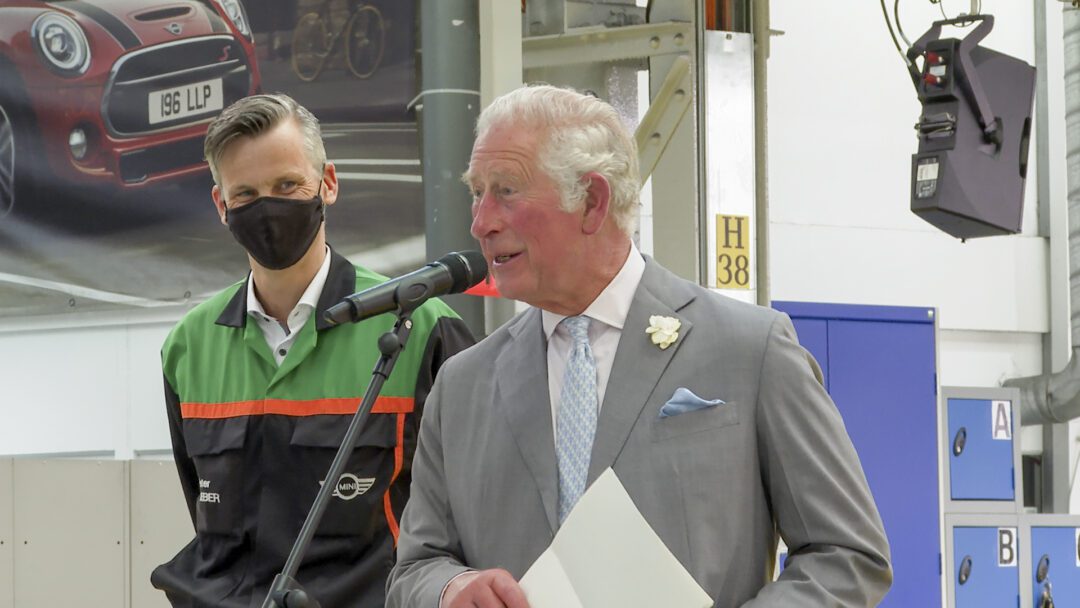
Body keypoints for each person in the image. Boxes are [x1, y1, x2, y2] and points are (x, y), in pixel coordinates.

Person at [386, 85, 892, 608]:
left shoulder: (750, 350)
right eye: (477, 192)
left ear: (592, 201)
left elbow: (848, 554)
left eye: (506, 191)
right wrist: (448, 589)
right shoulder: (462, 385)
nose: (481, 222)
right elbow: (415, 568)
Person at [151, 93, 475, 607]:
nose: (268, 208)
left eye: (287, 185)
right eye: (246, 194)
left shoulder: (424, 330)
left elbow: (470, 518)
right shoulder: (188, 346)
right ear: (221, 205)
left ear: (328, 183)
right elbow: (205, 514)